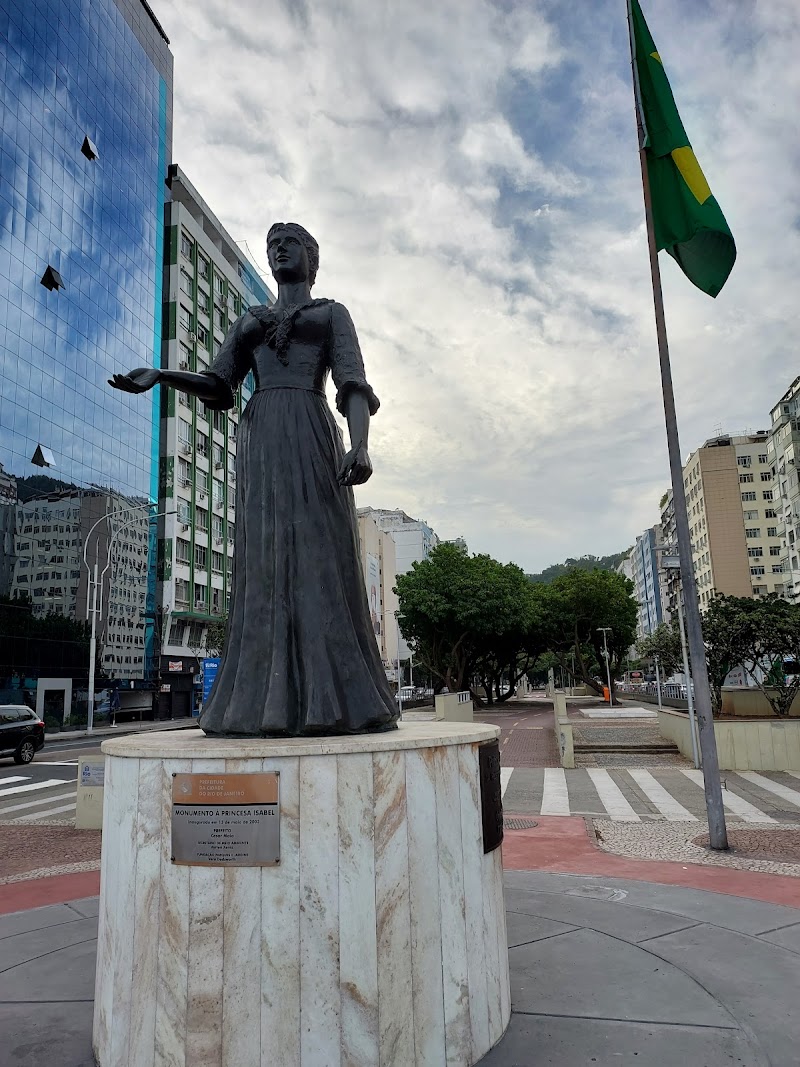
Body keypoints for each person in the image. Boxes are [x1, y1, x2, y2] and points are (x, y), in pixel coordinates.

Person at [109, 223, 399, 737]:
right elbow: (220, 383)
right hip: (262, 437)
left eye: (289, 243)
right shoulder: (250, 322)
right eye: (271, 245)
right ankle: (259, 701)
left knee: (321, 553)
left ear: (312, 259)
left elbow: (353, 383)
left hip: (311, 430)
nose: (278, 250)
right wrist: (162, 375)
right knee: (263, 560)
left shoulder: (331, 313)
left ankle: (340, 697)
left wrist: (360, 444)